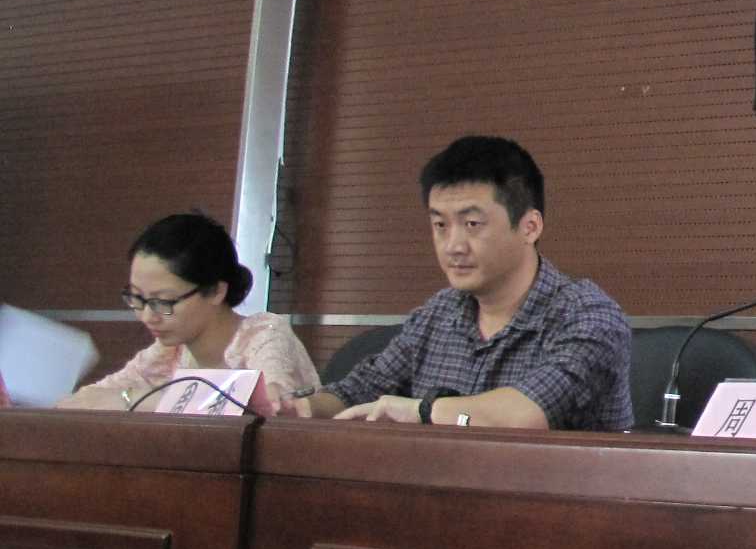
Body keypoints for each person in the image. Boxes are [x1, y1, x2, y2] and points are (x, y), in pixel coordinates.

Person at [302, 136, 634, 430]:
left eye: (472, 223)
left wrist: (422, 411)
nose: (453, 246)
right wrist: (299, 408)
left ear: (530, 227)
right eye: (440, 225)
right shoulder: (439, 314)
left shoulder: (588, 316)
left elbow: (525, 416)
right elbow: (360, 391)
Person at [60, 212, 322, 413]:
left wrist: (130, 399)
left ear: (216, 291)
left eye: (163, 301)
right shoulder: (167, 353)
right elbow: (89, 400)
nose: (147, 316)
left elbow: (266, 405)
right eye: (137, 298)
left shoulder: (265, 335)